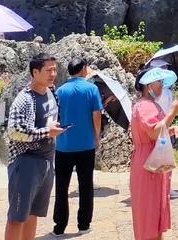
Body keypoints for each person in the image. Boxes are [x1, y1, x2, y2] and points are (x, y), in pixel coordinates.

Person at [6, 54, 66, 240]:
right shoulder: (24, 99)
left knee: (33, 214)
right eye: (49, 70)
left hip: (46, 162)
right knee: (17, 217)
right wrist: (46, 132)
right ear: (35, 72)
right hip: (26, 162)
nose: (53, 74)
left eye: (55, 69)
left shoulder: (51, 91)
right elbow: (14, 131)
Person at [130, 68, 178, 240]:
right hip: (148, 162)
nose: (161, 86)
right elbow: (153, 133)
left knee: (153, 214)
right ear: (148, 84)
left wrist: (171, 129)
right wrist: (173, 112)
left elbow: (157, 130)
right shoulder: (145, 106)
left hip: (151, 159)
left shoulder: (149, 104)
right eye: (159, 82)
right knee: (149, 215)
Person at [52, 57, 104, 235]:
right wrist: (96, 137)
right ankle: (83, 225)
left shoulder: (60, 91)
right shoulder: (92, 89)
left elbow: (55, 116)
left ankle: (59, 226)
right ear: (83, 69)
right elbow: (96, 115)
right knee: (85, 185)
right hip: (85, 144)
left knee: (61, 186)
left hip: (63, 146)